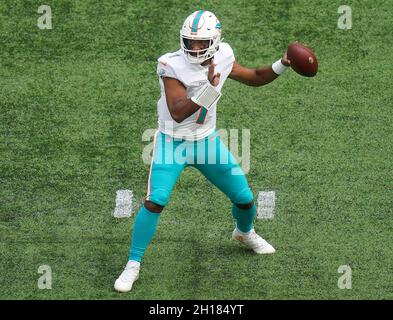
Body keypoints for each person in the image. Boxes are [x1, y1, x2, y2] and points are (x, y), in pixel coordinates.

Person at [114, 9, 291, 293]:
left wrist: (282, 64)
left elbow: (255, 77)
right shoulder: (170, 65)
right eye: (190, 41)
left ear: (216, 41)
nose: (194, 48)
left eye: (201, 43)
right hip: (173, 143)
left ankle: (244, 233)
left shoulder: (224, 55)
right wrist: (209, 87)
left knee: (244, 198)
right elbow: (178, 111)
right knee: (155, 201)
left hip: (206, 142)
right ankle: (133, 264)